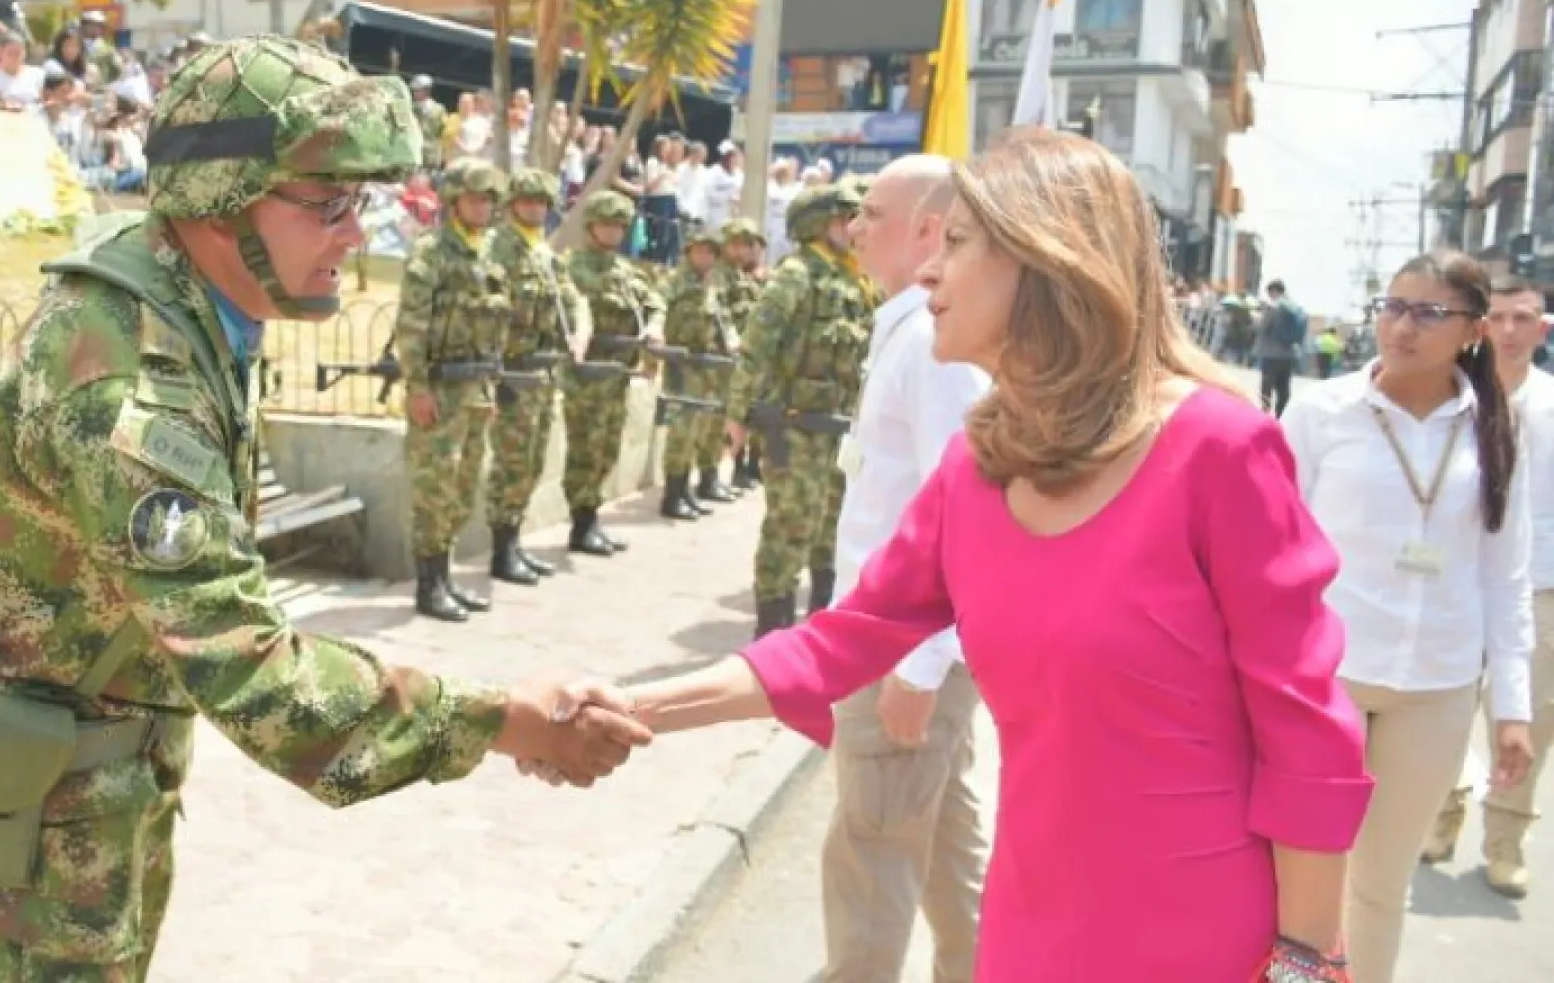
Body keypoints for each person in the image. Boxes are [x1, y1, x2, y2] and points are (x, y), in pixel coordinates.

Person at [0, 35, 652, 982]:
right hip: (48, 807)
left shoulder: (193, 313)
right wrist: (506, 720)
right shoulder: (129, 383)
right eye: (329, 203)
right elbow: (255, 673)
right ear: (220, 197)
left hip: (98, 776)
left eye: (364, 203)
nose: (357, 234)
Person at [549, 128, 1372, 981]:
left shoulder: (1218, 447)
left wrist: (1308, 963)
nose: (928, 270)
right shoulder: (979, 465)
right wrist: (635, 708)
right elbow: (841, 640)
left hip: (1198, 931)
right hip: (1029, 920)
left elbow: (1306, 729)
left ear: (1049, 259)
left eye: (959, 243)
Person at [1279, 254, 1533, 983]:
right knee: (1303, 891)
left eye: (1428, 313)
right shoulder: (1321, 412)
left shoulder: (1497, 427)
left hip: (1439, 689)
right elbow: (1271, 553)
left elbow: (1504, 576)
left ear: (1473, 332)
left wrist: (1510, 708)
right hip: (1327, 683)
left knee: (1381, 889)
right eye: (1392, 306)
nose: (1401, 326)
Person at [816, 156, 989, 983]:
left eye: (872, 213)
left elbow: (959, 512)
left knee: (870, 863)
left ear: (927, 229)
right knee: (943, 847)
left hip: (905, 648)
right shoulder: (911, 329)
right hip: (899, 643)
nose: (853, 228)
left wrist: (918, 665)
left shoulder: (933, 343)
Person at [1420, 272, 1554, 899]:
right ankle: (1438, 819)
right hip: (1455, 581)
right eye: (1497, 317)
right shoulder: (1449, 401)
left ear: (1542, 328)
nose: (1508, 331)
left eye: (1522, 318)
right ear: (1478, 326)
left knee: (1526, 719)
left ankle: (1504, 842)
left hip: (1541, 586)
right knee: (1442, 709)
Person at [725, 183, 872, 636]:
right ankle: (772, 629)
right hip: (793, 426)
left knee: (832, 529)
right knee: (789, 527)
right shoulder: (796, 275)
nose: (853, 228)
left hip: (839, 429)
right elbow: (757, 346)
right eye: (843, 219)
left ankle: (820, 622)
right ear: (817, 225)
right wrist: (737, 412)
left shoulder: (856, 280)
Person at [395, 156, 509, 620]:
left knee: (463, 487)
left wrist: (492, 387)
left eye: (488, 200)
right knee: (433, 488)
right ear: (453, 201)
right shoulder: (432, 253)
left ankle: (446, 577)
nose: (482, 207)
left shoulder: (486, 254)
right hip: (440, 389)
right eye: (474, 198)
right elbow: (412, 326)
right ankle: (428, 587)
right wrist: (417, 386)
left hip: (477, 389)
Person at [483, 168, 587, 585]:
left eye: (542, 203)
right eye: (528, 202)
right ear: (511, 206)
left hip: (544, 374)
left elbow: (574, 297)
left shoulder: (544, 253)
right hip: (513, 372)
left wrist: (580, 329)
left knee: (532, 462)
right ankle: (501, 549)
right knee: (511, 462)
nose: (536, 209)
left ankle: (514, 542)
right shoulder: (498, 251)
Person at [560, 189, 666, 555]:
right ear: (591, 227)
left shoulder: (626, 272)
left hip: (617, 374)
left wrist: (654, 327)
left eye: (619, 226)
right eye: (606, 225)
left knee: (606, 450)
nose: (613, 233)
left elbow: (655, 305)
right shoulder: (571, 267)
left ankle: (591, 519)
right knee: (584, 451)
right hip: (585, 376)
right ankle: (581, 523)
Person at [656, 229, 740, 520]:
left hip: (706, 367)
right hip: (681, 363)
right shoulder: (674, 282)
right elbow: (656, 308)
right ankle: (672, 494)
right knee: (681, 431)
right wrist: (655, 334)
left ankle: (684, 490)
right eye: (700, 251)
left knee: (698, 430)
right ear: (689, 251)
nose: (705, 257)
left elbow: (723, 321)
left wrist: (732, 341)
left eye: (711, 252)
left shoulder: (712, 288)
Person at [718, 218, 768, 491]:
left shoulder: (747, 278)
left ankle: (746, 468)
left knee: (750, 415)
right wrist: (732, 339)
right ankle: (730, 472)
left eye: (746, 246)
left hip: (750, 357)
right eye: (735, 245)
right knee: (733, 415)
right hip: (730, 358)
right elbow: (721, 312)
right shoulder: (718, 275)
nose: (742, 251)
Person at [1256, 279, 1307, 415]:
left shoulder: (1273, 307)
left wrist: (1258, 320)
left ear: (1273, 291)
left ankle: (1264, 412)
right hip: (1289, 355)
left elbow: (1263, 328)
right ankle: (1282, 416)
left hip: (1271, 354)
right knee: (1283, 388)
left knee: (1267, 384)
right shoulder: (1295, 307)